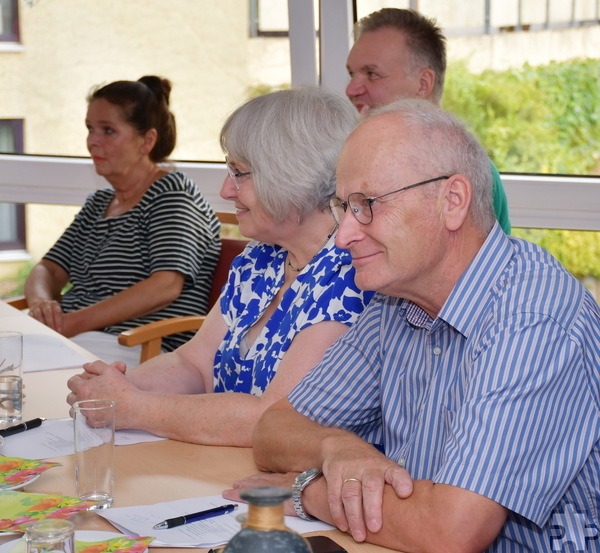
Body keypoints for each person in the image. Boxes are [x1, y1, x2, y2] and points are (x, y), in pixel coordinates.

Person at [225, 99, 600, 552]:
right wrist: (334, 448)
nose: (343, 235)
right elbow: (274, 429)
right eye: (343, 206)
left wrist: (308, 490)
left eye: (367, 204)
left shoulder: (532, 320)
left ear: (452, 201)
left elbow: (450, 532)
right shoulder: (394, 301)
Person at [66, 87, 374, 446]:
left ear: (292, 176)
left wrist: (136, 407)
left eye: (239, 172)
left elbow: (271, 418)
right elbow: (194, 364)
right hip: (223, 467)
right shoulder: (260, 259)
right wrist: (115, 387)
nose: (226, 190)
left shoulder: (353, 276)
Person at [24, 76, 221, 366]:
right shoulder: (99, 203)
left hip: (141, 346)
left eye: (108, 131)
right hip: (80, 338)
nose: (92, 141)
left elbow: (165, 285)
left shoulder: (172, 195)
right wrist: (41, 304)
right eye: (90, 129)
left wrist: (71, 323)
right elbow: (49, 270)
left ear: (147, 141)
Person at [345, 8, 512, 234]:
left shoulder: (467, 171)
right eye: (351, 74)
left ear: (423, 84)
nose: (351, 89)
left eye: (372, 74)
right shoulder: (355, 161)